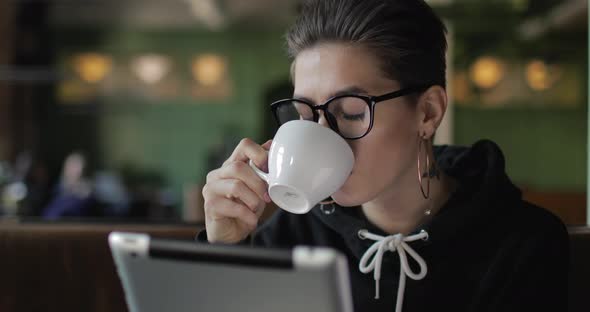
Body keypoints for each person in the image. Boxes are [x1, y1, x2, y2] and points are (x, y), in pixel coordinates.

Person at [198, 0, 569, 311]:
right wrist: (225, 254)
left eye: (351, 111)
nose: (323, 136)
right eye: (307, 114)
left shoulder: (522, 245)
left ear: (428, 112)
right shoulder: (289, 237)